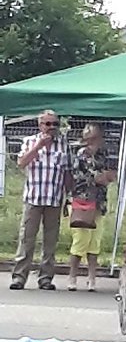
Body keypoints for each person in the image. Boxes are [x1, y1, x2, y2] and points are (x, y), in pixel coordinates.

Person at [10, 110, 71, 291]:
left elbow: (67, 173)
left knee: (50, 241)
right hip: (33, 198)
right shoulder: (29, 141)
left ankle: (45, 278)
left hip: (54, 198)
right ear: (40, 125)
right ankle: (19, 277)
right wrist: (38, 146)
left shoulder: (63, 144)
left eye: (55, 124)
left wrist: (68, 197)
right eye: (48, 124)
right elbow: (21, 163)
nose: (52, 127)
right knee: (27, 239)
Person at [67, 123, 116, 291]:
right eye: (90, 138)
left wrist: (107, 177)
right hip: (82, 202)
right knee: (80, 240)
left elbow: (112, 175)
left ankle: (92, 277)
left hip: (99, 202)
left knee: (95, 242)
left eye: (95, 137)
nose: (94, 141)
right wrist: (100, 178)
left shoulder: (105, 154)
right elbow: (84, 178)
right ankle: (72, 276)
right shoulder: (81, 154)